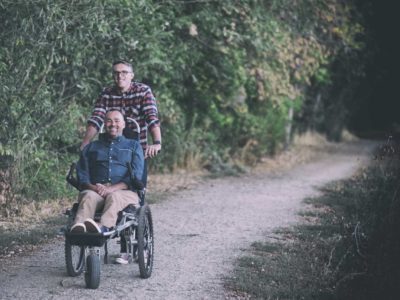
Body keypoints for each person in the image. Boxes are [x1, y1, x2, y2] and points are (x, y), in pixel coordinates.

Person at [80, 60, 161, 263]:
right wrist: (86, 143)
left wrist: (157, 142)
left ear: (131, 75)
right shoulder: (107, 93)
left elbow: (152, 117)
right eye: (116, 73)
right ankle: (85, 229)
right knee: (100, 186)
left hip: (136, 148)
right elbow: (97, 118)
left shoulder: (142, 91)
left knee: (130, 196)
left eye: (124, 73)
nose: (120, 76)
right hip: (109, 147)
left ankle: (128, 248)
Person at [70, 110, 144, 234]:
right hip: (96, 191)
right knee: (88, 196)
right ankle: (79, 228)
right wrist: (94, 187)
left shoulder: (134, 146)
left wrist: (111, 188)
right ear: (104, 124)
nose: (112, 124)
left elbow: (136, 174)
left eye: (116, 121)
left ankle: (103, 227)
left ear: (124, 124)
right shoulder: (92, 147)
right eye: (109, 121)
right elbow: (82, 173)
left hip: (125, 192)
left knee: (114, 197)